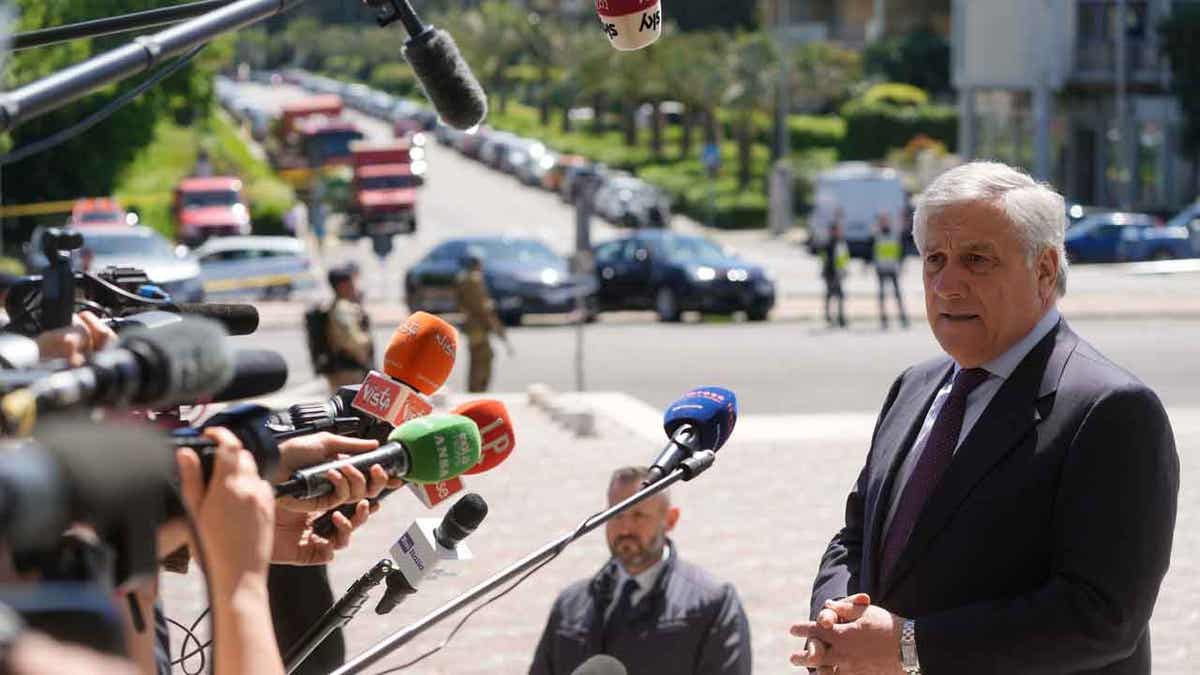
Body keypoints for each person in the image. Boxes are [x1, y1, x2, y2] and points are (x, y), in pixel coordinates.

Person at [791, 162, 1179, 674]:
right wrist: (835, 617)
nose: (947, 284)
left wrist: (910, 647)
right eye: (935, 259)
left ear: (1044, 270)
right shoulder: (914, 387)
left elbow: (1103, 617)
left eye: (976, 260)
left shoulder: (1112, 411)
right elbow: (857, 537)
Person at [531, 466, 752, 675]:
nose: (625, 528)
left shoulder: (713, 602)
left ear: (670, 519)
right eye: (616, 515)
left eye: (638, 515)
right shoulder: (570, 604)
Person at [455, 254, 511, 393]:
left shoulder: (464, 279)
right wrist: (497, 327)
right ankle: (478, 391)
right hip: (478, 327)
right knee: (482, 360)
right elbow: (482, 308)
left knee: (477, 360)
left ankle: (475, 390)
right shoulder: (474, 280)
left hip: (472, 326)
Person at [324, 263, 374, 389]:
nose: (354, 287)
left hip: (343, 369)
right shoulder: (344, 309)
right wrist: (366, 347)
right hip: (350, 370)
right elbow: (353, 341)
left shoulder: (336, 306)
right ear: (343, 285)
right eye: (351, 283)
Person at [873, 211, 908, 329]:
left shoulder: (894, 235)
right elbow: (873, 253)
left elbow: (900, 251)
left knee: (897, 295)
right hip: (881, 269)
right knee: (882, 296)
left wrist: (901, 265)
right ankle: (884, 320)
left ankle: (903, 318)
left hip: (893, 269)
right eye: (882, 221)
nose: (884, 223)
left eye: (885, 220)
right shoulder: (877, 236)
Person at [819, 214, 849, 328]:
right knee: (830, 295)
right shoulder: (828, 243)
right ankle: (829, 317)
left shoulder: (841, 242)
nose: (838, 232)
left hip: (838, 273)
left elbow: (844, 258)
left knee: (839, 296)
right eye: (836, 230)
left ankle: (840, 317)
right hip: (830, 273)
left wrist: (844, 270)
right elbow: (824, 258)